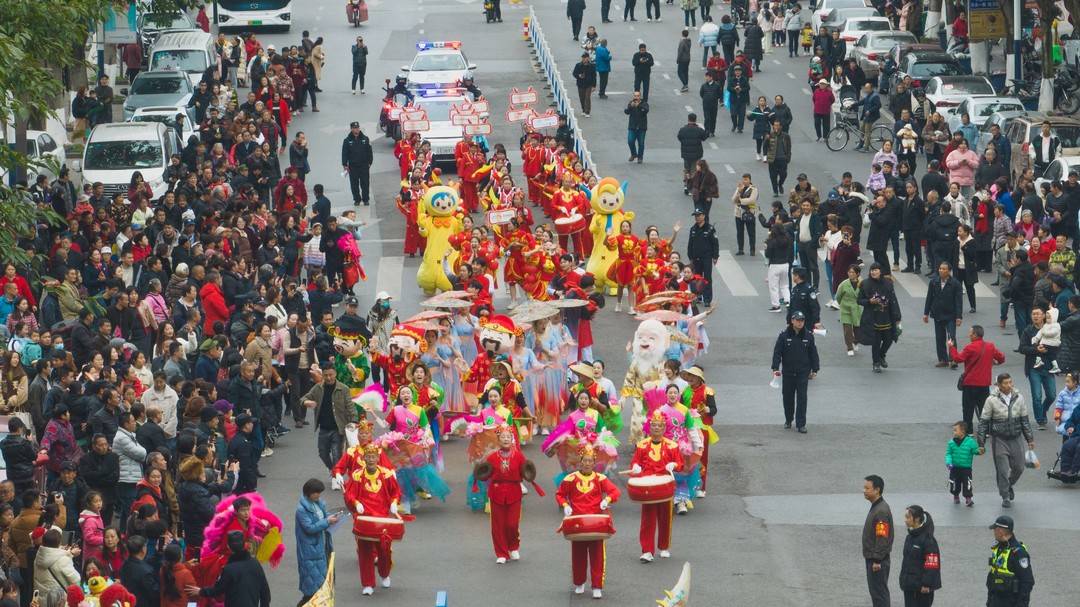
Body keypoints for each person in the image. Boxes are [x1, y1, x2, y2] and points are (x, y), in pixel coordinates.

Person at [555, 444, 620, 599]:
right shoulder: (570, 479)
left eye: (590, 461)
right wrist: (565, 506)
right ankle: (579, 583)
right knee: (578, 554)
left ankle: (597, 586)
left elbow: (615, 491)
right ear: (580, 462)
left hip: (596, 523)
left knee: (597, 555)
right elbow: (560, 494)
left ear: (594, 462)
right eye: (584, 460)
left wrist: (607, 499)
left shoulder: (600, 478)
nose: (587, 463)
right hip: (578, 523)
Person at [472, 425, 536, 564]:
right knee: (498, 524)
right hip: (496, 492)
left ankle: (513, 547)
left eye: (508, 437)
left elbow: (526, 471)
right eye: (503, 437)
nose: (506, 439)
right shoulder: (492, 457)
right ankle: (501, 553)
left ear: (512, 439)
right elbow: (484, 473)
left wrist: (529, 474)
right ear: (498, 440)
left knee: (512, 524)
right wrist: (479, 471)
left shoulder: (519, 456)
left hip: (514, 492)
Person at [344, 444, 401, 596]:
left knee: (384, 550)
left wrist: (394, 503)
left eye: (373, 457)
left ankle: (384, 573)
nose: (370, 459)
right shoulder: (357, 475)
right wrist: (356, 503)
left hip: (382, 520)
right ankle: (368, 583)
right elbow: (350, 495)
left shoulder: (386, 474)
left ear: (378, 458)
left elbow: (395, 492)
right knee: (365, 552)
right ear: (363, 458)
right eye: (368, 457)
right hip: (364, 519)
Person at [976, 373, 1035, 508]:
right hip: (999, 439)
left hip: (1016, 438)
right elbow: (983, 422)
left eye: (1010, 382)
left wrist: (1029, 439)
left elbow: (1024, 420)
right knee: (1002, 470)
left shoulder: (1019, 398)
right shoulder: (991, 400)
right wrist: (981, 443)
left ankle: (1009, 485)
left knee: (1019, 467)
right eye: (1005, 383)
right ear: (999, 385)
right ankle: (1005, 496)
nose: (1009, 385)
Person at [630, 413, 682, 562]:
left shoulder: (672, 446)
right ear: (649, 427)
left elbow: (680, 464)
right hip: (648, 487)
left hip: (665, 485)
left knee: (665, 516)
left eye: (659, 425)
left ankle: (664, 546)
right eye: (653, 425)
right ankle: (647, 550)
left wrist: (674, 465)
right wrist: (635, 467)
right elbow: (635, 462)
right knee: (648, 518)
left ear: (664, 428)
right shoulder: (642, 445)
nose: (656, 428)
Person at [301, 361, 358, 480]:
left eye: (331, 374)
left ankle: (336, 478)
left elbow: (350, 406)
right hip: (323, 428)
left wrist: (354, 421)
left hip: (338, 429)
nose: (328, 378)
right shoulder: (318, 388)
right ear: (322, 375)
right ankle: (333, 470)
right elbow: (303, 398)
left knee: (337, 454)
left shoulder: (344, 389)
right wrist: (307, 402)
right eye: (326, 375)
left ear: (335, 373)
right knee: (323, 453)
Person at [186, 530, 272, 607]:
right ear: (244, 544)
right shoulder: (255, 563)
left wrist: (201, 591)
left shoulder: (229, 569)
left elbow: (218, 590)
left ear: (228, 546)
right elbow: (265, 591)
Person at [949, 325, 1006, 435]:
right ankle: (986, 430)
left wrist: (951, 347)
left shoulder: (970, 347)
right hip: (984, 384)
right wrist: (995, 362)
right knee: (984, 409)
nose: (969, 334)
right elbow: (1001, 358)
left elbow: (958, 359)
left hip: (970, 383)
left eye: (970, 333)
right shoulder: (990, 346)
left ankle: (969, 431)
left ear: (975, 334)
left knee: (968, 409)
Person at [771, 311, 819, 433]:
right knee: (788, 398)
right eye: (797, 320)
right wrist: (775, 367)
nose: (800, 323)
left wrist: (815, 369)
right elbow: (777, 352)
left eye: (802, 320)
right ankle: (788, 419)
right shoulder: (784, 336)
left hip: (803, 373)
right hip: (788, 373)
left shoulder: (808, 336)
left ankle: (801, 424)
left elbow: (813, 353)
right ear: (792, 321)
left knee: (802, 398)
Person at [295, 478, 339, 604]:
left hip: (321, 548)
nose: (319, 495)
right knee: (311, 592)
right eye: (316, 493)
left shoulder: (318, 504)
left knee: (320, 587)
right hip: (310, 553)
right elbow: (309, 528)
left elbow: (322, 520)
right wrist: (327, 521)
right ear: (309, 492)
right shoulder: (301, 510)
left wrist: (329, 518)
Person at [858, 263, 901, 373]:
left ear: (880, 271)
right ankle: (876, 363)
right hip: (873, 318)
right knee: (876, 342)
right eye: (872, 270)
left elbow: (893, 300)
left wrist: (897, 316)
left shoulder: (888, 283)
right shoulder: (865, 284)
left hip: (886, 317)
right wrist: (869, 301)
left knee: (889, 339)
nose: (873, 272)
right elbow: (859, 300)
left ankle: (882, 355)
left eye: (876, 270)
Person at [985, 516, 1034, 606]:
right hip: (995, 600)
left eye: (995, 529)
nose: (994, 532)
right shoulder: (999, 547)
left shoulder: (1018, 553)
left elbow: (1027, 581)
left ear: (1001, 531)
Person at [898, 505, 941, 607]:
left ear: (916, 519)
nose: (905, 520)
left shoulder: (928, 540)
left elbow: (932, 563)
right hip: (909, 586)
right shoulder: (909, 537)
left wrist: (926, 584)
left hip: (922, 589)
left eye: (908, 517)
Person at [923, 261, 963, 367]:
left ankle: (953, 359)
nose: (941, 270)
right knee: (940, 338)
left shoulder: (955, 284)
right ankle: (943, 359)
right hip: (937, 314)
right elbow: (929, 298)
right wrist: (925, 313)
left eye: (944, 269)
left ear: (949, 271)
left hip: (951, 314)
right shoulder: (934, 282)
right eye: (940, 268)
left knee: (951, 337)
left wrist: (959, 317)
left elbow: (959, 302)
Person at [862, 474, 893, 607]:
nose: (864, 490)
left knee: (879, 593)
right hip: (874, 558)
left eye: (867, 488)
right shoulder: (877, 507)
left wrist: (877, 560)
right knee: (876, 592)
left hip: (877, 561)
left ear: (877, 490)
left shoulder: (881, 511)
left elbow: (882, 537)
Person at [686, 208, 719, 306]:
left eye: (699, 215)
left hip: (707, 258)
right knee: (697, 278)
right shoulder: (693, 229)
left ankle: (707, 299)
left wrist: (715, 256)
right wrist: (690, 256)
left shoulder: (710, 229)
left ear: (704, 216)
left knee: (707, 278)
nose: (697, 217)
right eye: (696, 216)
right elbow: (690, 244)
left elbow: (715, 244)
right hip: (696, 258)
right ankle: (698, 296)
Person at [945, 419, 980, 506]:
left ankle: (968, 498)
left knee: (967, 483)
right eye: (953, 430)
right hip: (954, 468)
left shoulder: (970, 442)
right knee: (954, 483)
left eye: (955, 430)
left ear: (963, 431)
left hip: (966, 468)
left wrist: (979, 451)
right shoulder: (951, 443)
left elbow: (975, 450)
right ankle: (955, 495)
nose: (954, 432)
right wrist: (948, 462)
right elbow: (948, 454)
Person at [341, 121, 373, 206]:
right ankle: (357, 199)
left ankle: (365, 199)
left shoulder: (365, 139)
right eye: (355, 128)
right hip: (353, 166)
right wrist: (344, 164)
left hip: (364, 166)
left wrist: (370, 162)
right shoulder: (347, 141)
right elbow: (344, 153)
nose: (357, 129)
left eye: (357, 128)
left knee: (365, 183)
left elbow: (369, 151)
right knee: (354, 184)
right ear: (351, 129)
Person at [677, 113, 707, 196]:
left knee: (686, 169)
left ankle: (686, 185)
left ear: (688, 119)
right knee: (694, 171)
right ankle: (691, 187)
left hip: (686, 153)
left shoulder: (683, 129)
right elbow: (704, 137)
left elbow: (679, 137)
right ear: (695, 120)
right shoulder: (699, 130)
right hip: (696, 153)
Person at [159, 543, 196, 607]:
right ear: (180, 556)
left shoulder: (162, 570)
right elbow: (193, 596)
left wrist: (186, 565)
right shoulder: (186, 574)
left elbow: (174, 570)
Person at [731, 173, 758, 255]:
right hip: (739, 213)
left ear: (750, 180)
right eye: (743, 179)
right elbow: (733, 200)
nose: (744, 181)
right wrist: (739, 192)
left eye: (746, 179)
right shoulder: (739, 188)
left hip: (749, 213)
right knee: (739, 232)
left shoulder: (753, 189)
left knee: (751, 232)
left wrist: (741, 201)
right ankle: (740, 249)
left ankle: (752, 249)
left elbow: (752, 200)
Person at [763, 119, 791, 196]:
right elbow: (765, 146)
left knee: (783, 174)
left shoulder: (786, 136)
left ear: (781, 127)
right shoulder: (770, 135)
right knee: (773, 176)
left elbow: (789, 147)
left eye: (778, 125)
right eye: (775, 125)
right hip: (773, 159)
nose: (776, 127)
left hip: (782, 159)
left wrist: (788, 158)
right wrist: (766, 139)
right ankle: (775, 191)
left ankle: (780, 184)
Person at [853, 82, 881, 152]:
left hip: (872, 116)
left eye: (867, 88)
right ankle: (861, 144)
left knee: (867, 131)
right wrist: (853, 105)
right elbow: (862, 102)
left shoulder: (875, 96)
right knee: (862, 130)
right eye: (865, 88)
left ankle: (866, 147)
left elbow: (878, 105)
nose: (866, 89)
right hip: (867, 116)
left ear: (871, 88)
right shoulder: (868, 95)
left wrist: (870, 111)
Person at [625, 91, 648, 163]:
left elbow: (646, 111)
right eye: (635, 96)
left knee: (641, 143)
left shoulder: (644, 104)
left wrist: (638, 106)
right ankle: (634, 154)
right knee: (630, 141)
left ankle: (640, 157)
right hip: (632, 126)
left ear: (640, 96)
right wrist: (630, 107)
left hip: (641, 127)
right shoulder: (631, 103)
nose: (636, 97)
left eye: (637, 96)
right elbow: (626, 112)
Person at [727, 65, 750, 134]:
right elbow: (728, 88)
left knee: (741, 115)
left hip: (742, 100)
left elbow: (748, 88)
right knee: (733, 114)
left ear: (741, 72)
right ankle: (734, 125)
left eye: (739, 71)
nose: (737, 72)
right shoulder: (731, 79)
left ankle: (740, 128)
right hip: (734, 100)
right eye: (736, 71)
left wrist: (741, 89)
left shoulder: (744, 79)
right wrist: (734, 89)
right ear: (734, 72)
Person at [572, 52, 596, 118]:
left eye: (585, 58)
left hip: (589, 84)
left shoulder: (592, 66)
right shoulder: (578, 65)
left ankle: (587, 111)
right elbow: (574, 73)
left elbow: (594, 76)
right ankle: (583, 110)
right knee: (582, 98)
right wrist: (579, 75)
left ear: (588, 58)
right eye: (583, 58)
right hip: (580, 84)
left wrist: (594, 86)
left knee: (587, 98)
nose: (584, 59)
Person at [699, 71, 722, 137]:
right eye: (705, 77)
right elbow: (701, 94)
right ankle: (707, 131)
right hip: (706, 105)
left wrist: (715, 98)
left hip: (714, 105)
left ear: (711, 77)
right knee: (707, 118)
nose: (706, 78)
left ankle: (712, 131)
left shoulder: (717, 85)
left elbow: (719, 94)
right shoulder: (704, 85)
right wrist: (706, 98)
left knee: (713, 118)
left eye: (707, 77)